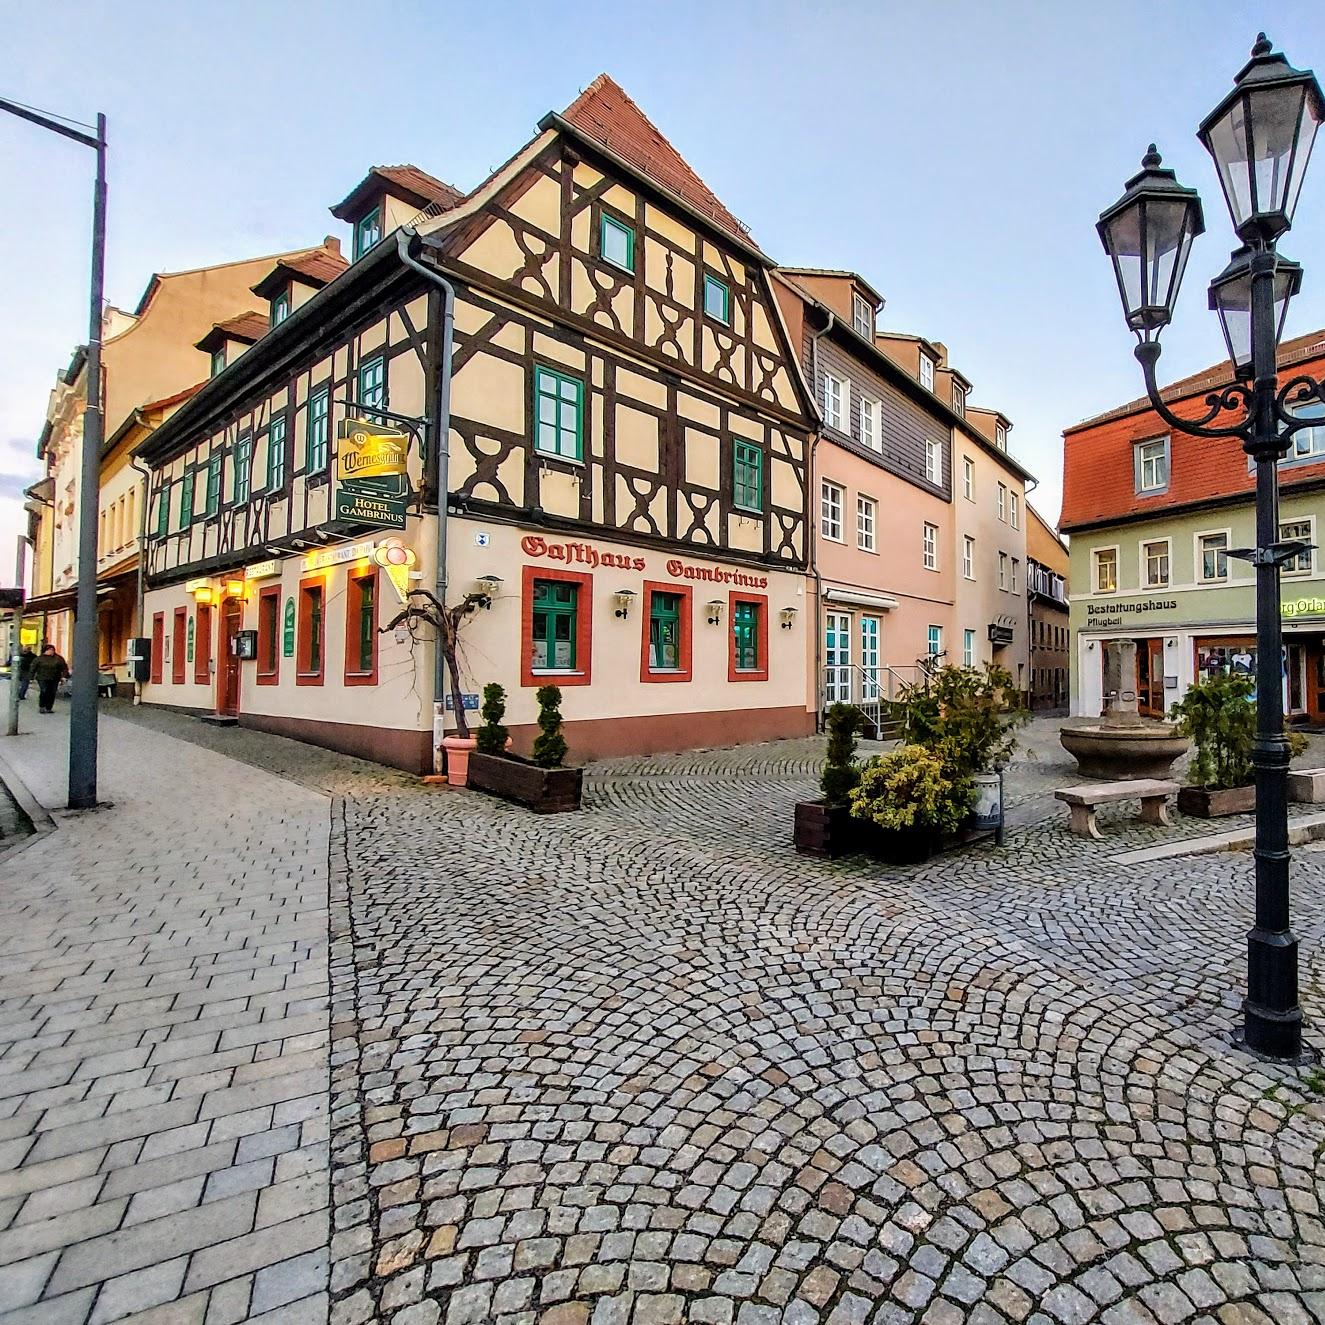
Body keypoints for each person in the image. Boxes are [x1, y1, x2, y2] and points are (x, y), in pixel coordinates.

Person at [31, 644, 69, 715]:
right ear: (45, 651)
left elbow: (64, 667)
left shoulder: (58, 658)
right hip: (42, 678)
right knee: (44, 691)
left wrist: (64, 676)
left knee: (52, 692)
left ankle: (49, 707)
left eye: (52, 650)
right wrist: (31, 677)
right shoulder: (39, 659)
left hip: (54, 678)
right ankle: (42, 706)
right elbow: (33, 668)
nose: (51, 651)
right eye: (49, 650)